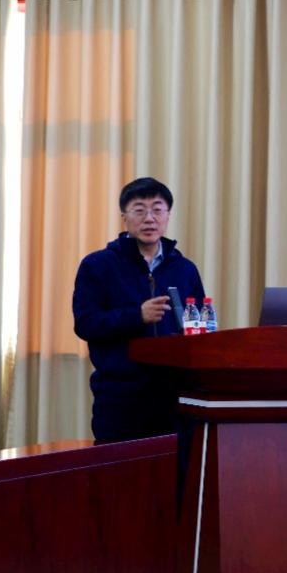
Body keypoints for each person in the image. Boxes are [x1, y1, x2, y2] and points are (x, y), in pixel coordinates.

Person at [73, 177, 206, 442]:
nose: (149, 218)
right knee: (121, 466)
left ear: (168, 216)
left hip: (174, 396)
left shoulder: (184, 269)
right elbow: (86, 323)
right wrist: (136, 316)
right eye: (139, 210)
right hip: (121, 396)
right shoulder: (98, 265)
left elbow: (199, 325)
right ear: (124, 217)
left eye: (157, 210)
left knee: (175, 466)